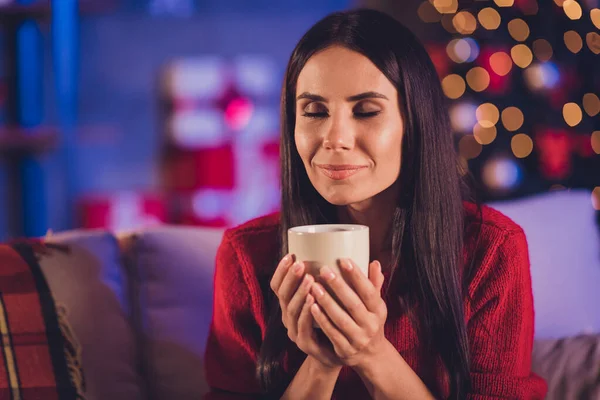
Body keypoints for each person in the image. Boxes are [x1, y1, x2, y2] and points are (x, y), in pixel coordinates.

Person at [204, 8, 547, 400]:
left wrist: (371, 353)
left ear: (414, 122)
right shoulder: (247, 255)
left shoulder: (491, 250)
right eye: (314, 111)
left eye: (366, 111)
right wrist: (322, 362)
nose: (335, 138)